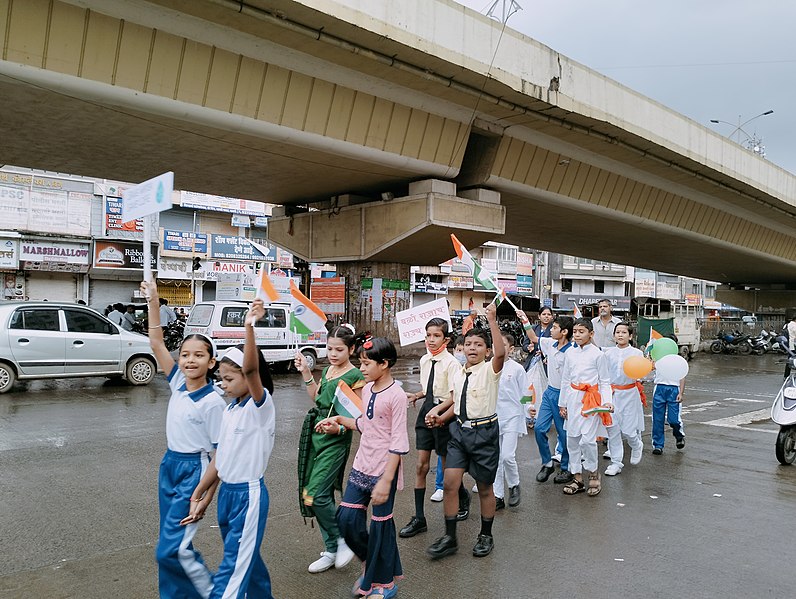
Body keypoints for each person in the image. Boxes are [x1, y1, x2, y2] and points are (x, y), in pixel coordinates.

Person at [182, 299, 276, 599]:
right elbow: (220, 460)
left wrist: (249, 325)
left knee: (232, 568)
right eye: (220, 379)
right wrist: (200, 495)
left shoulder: (260, 408)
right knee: (248, 562)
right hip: (228, 497)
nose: (223, 385)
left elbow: (250, 369)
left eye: (228, 378)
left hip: (249, 496)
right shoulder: (231, 410)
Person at [141, 280, 226, 599]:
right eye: (186, 354)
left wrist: (206, 495)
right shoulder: (177, 382)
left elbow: (221, 454)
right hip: (170, 466)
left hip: (195, 471)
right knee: (169, 541)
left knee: (171, 549)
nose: (190, 360)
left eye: (199, 355)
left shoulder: (214, 401)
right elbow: (156, 342)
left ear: (211, 362)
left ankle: (214, 593)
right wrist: (152, 301)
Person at [317, 337, 408, 598]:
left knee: (380, 526)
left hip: (383, 470)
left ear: (385, 364)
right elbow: (365, 424)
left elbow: (398, 442)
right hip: (362, 465)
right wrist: (338, 422)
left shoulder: (397, 396)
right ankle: (372, 565)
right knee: (346, 519)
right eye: (361, 363)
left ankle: (385, 584)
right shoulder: (368, 389)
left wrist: (386, 481)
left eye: (367, 364)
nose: (362, 368)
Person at [425, 301, 505, 559]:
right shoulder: (459, 373)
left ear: (487, 350)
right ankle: (450, 537)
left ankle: (486, 535)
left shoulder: (491, 370)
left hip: (484, 434)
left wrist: (492, 319)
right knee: (450, 483)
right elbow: (456, 403)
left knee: (484, 488)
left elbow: (501, 354)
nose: (472, 348)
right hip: (459, 433)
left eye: (478, 345)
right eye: (468, 344)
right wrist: (440, 417)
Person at [294, 327, 364, 574]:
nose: (333, 354)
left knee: (317, 493)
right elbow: (317, 398)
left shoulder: (356, 376)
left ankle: (341, 540)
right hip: (316, 435)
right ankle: (332, 548)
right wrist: (306, 372)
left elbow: (358, 416)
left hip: (336, 439)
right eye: (330, 348)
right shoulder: (327, 370)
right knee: (311, 494)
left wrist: (338, 430)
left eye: (339, 349)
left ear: (351, 349)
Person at [400, 318, 468, 539]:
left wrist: (438, 412)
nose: (431, 340)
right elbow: (429, 388)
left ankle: (462, 496)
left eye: (436, 335)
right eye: (428, 335)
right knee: (421, 466)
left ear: (446, 339)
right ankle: (419, 518)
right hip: (426, 411)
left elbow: (453, 396)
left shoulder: (452, 364)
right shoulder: (424, 360)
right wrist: (417, 396)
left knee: (449, 470)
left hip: (445, 414)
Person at [519, 311, 575, 485]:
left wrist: (565, 402)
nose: (551, 330)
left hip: (564, 396)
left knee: (563, 434)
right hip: (549, 393)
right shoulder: (550, 343)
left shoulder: (572, 352)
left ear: (564, 332)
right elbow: (533, 338)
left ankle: (566, 468)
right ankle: (547, 463)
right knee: (539, 428)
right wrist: (525, 321)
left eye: (555, 327)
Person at [559, 318, 613, 497]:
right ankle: (577, 478)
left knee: (588, 440)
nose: (577, 335)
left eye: (581, 331)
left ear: (591, 334)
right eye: (575, 331)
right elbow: (566, 380)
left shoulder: (598, 355)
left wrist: (607, 401)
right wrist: (563, 404)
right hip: (573, 400)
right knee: (572, 440)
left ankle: (593, 473)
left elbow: (604, 381)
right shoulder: (570, 354)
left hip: (591, 401)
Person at [602, 323, 646, 474]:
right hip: (612, 394)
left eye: (624, 332)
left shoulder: (636, 353)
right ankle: (616, 463)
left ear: (630, 336)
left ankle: (636, 444)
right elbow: (604, 375)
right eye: (618, 332)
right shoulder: (607, 353)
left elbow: (642, 375)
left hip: (630, 394)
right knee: (612, 429)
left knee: (628, 430)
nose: (620, 335)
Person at [492, 333, 527, 509]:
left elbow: (525, 393)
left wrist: (528, 410)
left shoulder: (517, 369)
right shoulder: (488, 367)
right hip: (493, 417)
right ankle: (497, 495)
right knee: (496, 458)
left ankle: (514, 485)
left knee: (507, 456)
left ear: (511, 349)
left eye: (503, 345)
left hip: (513, 416)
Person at [651, 334, 686, 455]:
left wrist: (681, 393)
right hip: (659, 389)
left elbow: (682, 378)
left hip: (674, 390)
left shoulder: (678, 360)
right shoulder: (657, 358)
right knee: (658, 419)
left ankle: (679, 435)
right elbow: (648, 371)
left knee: (673, 419)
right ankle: (658, 445)